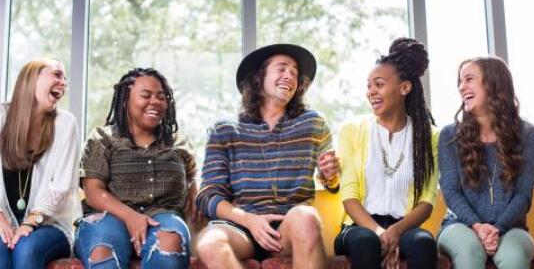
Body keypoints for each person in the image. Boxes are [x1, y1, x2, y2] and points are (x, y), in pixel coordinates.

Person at [195, 43, 339, 269]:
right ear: (258, 78)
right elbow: (207, 195)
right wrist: (249, 220)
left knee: (306, 217)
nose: (289, 76)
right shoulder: (224, 130)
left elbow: (331, 182)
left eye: (294, 72)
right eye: (281, 68)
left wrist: (330, 175)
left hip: (288, 226)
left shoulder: (313, 123)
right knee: (209, 242)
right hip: (241, 227)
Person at [0, 58, 81, 269]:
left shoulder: (66, 124)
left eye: (65, 79)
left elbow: (62, 186)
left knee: (27, 247)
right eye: (57, 74)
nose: (63, 83)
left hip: (47, 225)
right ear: (32, 78)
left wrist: (30, 223)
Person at [74, 67, 196, 269]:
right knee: (103, 253)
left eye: (161, 96)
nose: (155, 101)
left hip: (164, 217)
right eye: (146, 95)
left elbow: (191, 178)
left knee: (169, 243)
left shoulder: (178, 142)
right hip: (108, 218)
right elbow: (93, 192)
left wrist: (193, 190)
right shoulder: (102, 139)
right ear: (125, 100)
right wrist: (131, 217)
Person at [335, 38, 439, 269]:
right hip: (358, 228)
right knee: (366, 241)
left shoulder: (430, 136)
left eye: (379, 84)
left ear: (404, 88)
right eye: (368, 85)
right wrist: (380, 232)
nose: (371, 91)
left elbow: (427, 201)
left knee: (424, 242)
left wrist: (395, 231)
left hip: (404, 227)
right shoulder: (351, 130)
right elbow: (349, 197)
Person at [438, 57, 534, 269]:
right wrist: (477, 226)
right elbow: (450, 191)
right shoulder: (450, 135)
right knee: (468, 252)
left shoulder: (527, 135)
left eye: (469, 79)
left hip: (512, 228)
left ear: (493, 84)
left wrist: (498, 228)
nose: (461, 87)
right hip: (459, 225)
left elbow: (523, 195)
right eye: (460, 81)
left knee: (514, 258)